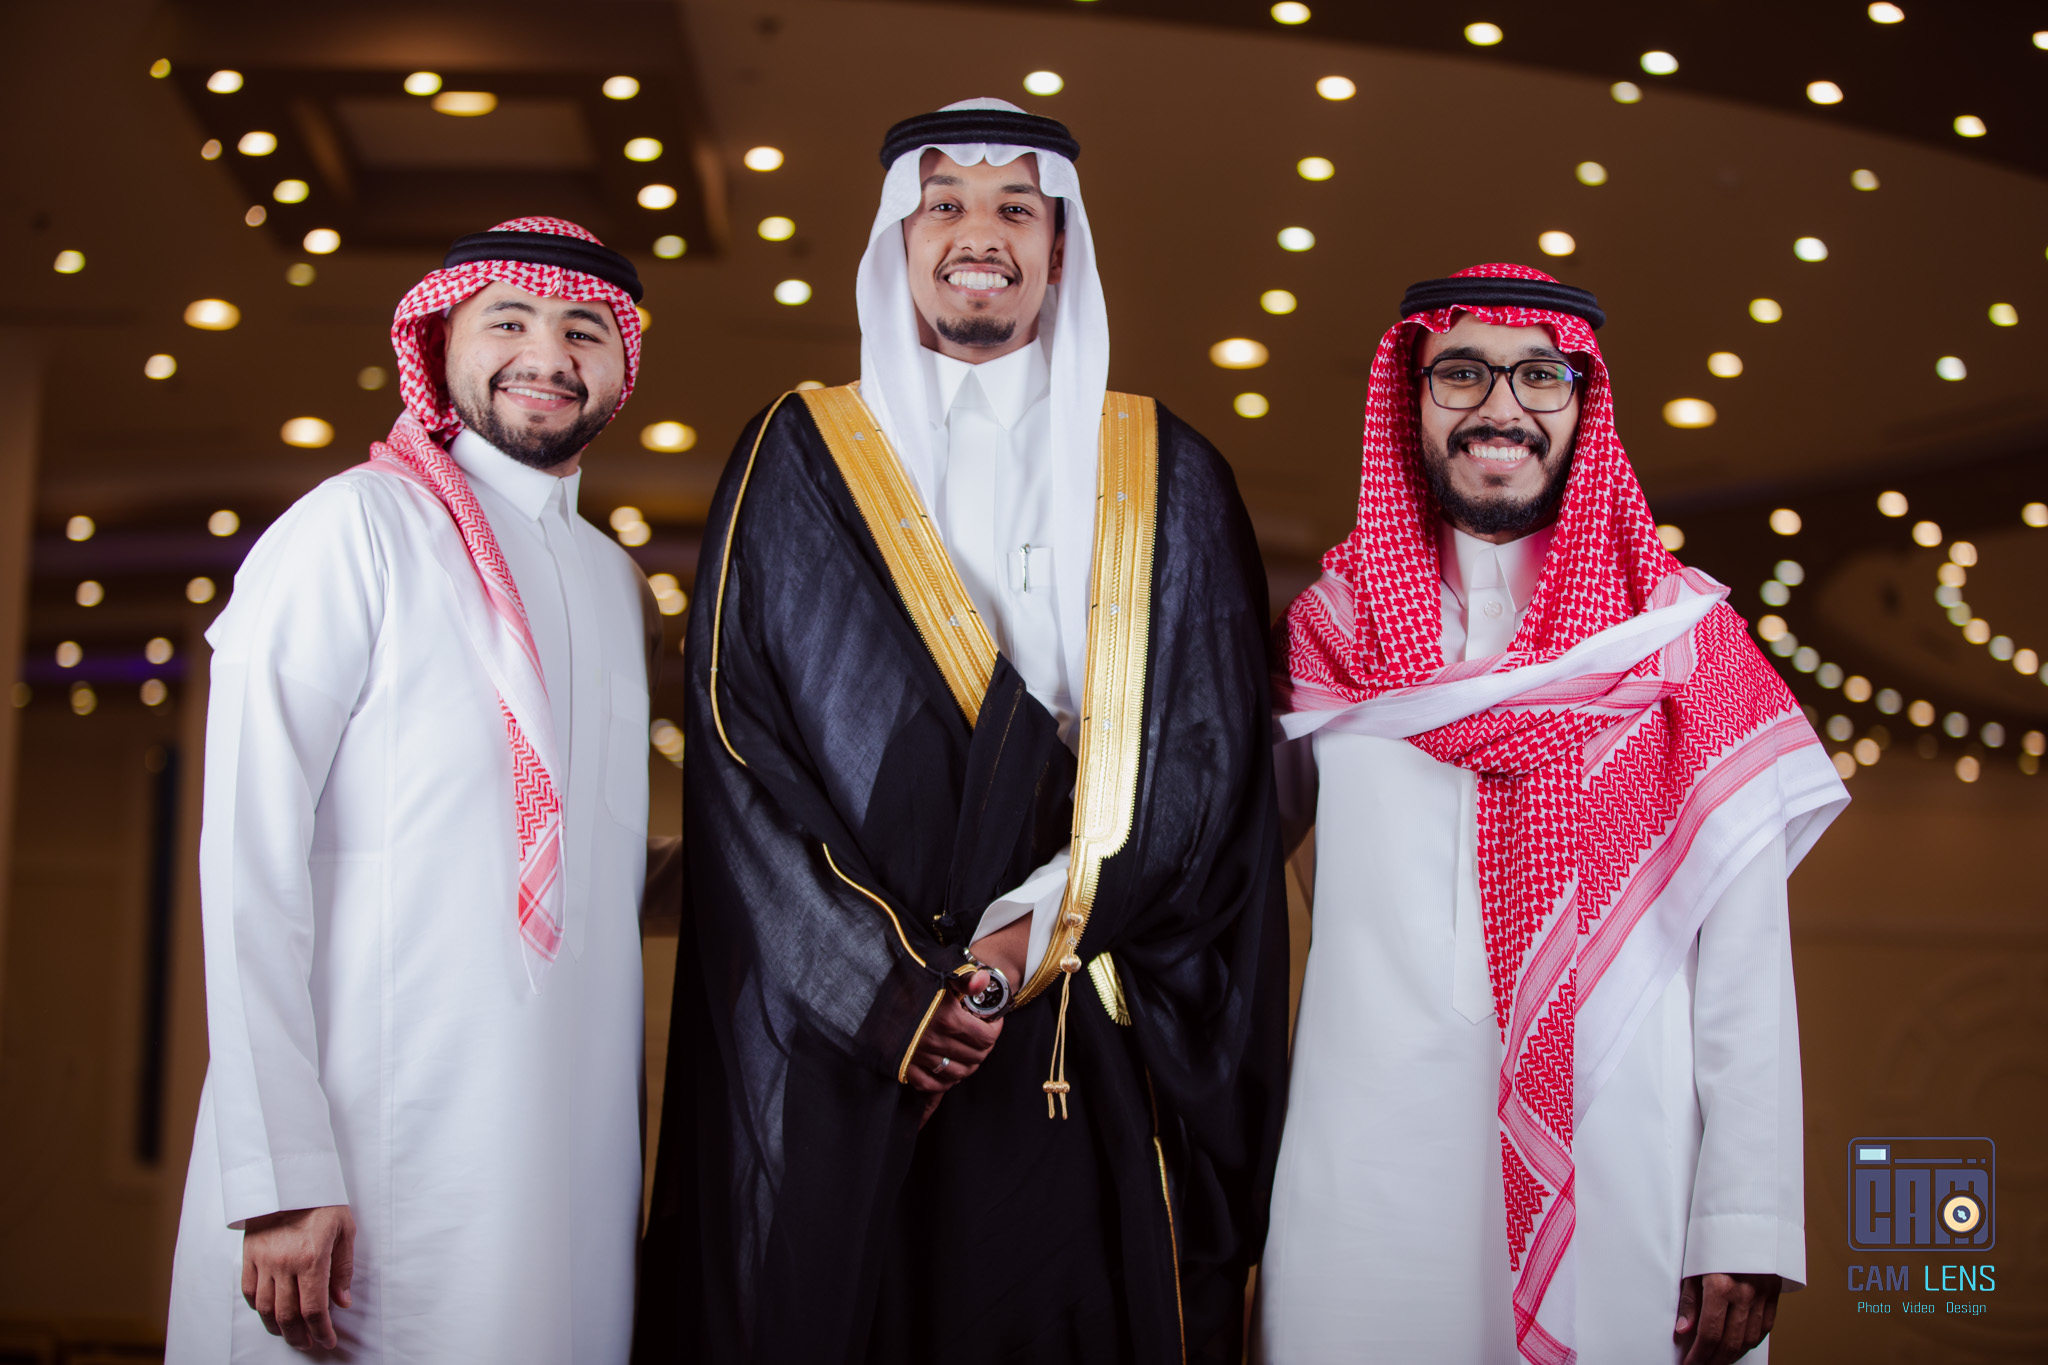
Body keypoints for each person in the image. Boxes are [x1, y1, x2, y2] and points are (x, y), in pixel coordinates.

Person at [634, 100, 1290, 1364]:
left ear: (1058, 246)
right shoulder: (796, 456)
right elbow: (739, 751)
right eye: (944, 204)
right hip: (849, 1036)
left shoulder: (1170, 470)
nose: (977, 234)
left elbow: (1203, 766)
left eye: (1013, 209)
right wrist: (885, 987)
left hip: (1078, 1014)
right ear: (898, 235)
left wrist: (1015, 942)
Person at [1255, 265, 1849, 1365]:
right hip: (1365, 1174)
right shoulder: (1327, 638)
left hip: (1627, 1163)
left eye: (1539, 376)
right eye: (1462, 374)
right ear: (1410, 399)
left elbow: (1746, 957)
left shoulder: (1680, 643)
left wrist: (1743, 1216)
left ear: (1583, 405)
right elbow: (1227, 869)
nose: (1500, 407)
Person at [166, 217, 671, 1363]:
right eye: (509, 320)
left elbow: (565, 859)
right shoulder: (352, 526)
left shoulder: (612, 580)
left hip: (567, 1165)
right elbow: (247, 857)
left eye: (583, 330)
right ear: (439, 343)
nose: (546, 355)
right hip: (366, 1153)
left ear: (621, 365)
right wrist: (280, 1171)